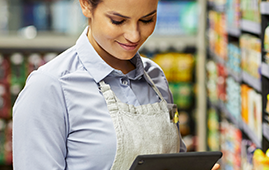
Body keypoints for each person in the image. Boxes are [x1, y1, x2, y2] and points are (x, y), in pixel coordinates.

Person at [12, 0, 220, 169]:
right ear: (86, 5)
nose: (134, 35)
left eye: (147, 19)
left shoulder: (155, 77)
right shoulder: (50, 87)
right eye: (118, 21)